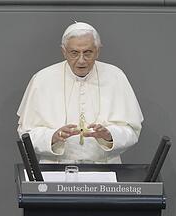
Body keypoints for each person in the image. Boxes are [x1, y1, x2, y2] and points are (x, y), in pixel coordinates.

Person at [17, 21, 143, 163]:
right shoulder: (42, 79)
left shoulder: (116, 76)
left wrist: (110, 135)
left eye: (88, 53)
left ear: (98, 50)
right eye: (74, 53)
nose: (81, 60)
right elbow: (26, 134)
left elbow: (132, 130)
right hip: (55, 168)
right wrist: (53, 137)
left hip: (104, 169)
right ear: (64, 51)